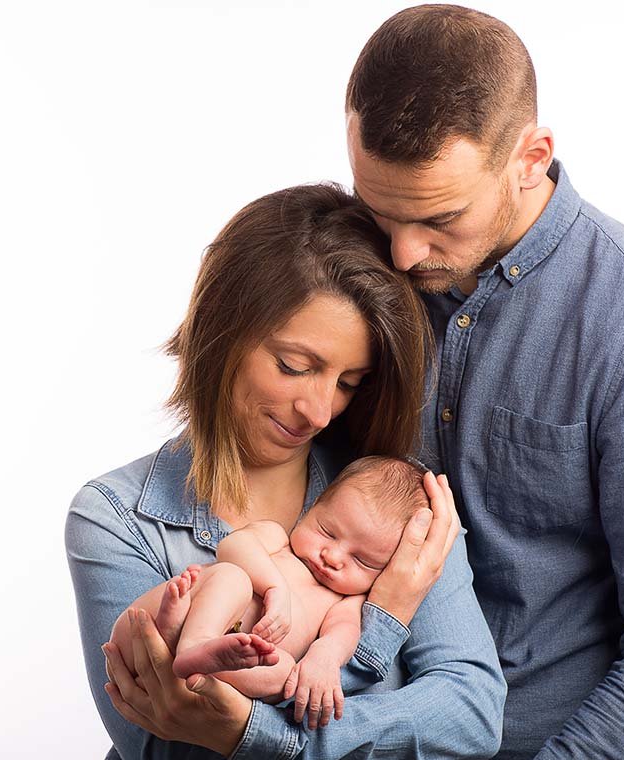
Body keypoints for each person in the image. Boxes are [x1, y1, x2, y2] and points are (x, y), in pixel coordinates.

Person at [343, 5, 624, 759]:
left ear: (532, 157)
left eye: (440, 217)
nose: (399, 253)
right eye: (379, 209)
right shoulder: (360, 270)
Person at [66, 183, 506, 759]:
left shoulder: (395, 503)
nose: (321, 411)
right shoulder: (116, 519)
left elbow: (471, 715)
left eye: (349, 383)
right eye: (295, 367)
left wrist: (254, 731)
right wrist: (387, 619)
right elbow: (157, 744)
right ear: (221, 334)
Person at [107, 456, 428, 729]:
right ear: (312, 508)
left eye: (362, 561)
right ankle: (188, 639)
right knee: (234, 577)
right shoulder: (277, 539)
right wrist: (274, 587)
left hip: (190, 684)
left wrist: (323, 661)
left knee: (285, 673)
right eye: (327, 531)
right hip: (144, 633)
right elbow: (233, 546)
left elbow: (340, 637)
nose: (332, 557)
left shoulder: (346, 602)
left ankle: (213, 662)